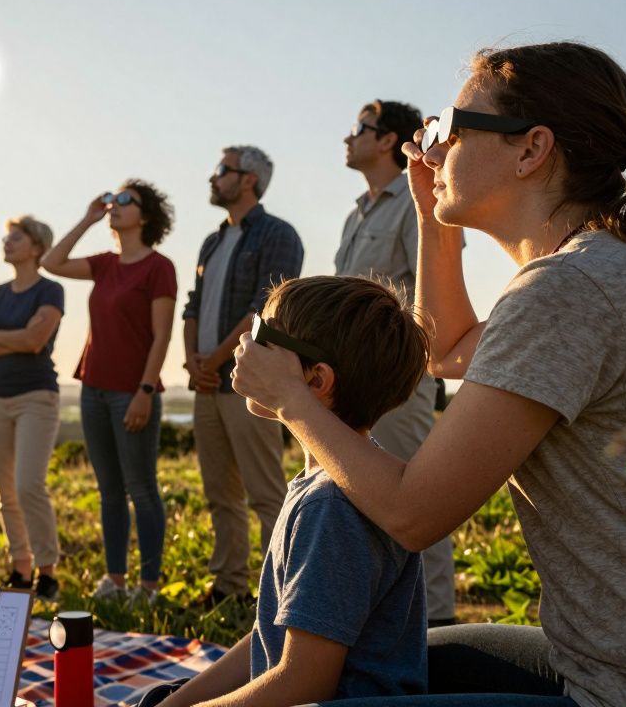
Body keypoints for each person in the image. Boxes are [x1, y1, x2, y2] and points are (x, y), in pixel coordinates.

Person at [232, 41, 626, 706]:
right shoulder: (610, 268)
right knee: (401, 659)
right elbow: (447, 348)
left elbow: (410, 514)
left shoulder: (570, 290)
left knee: (336, 691)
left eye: (449, 130)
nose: (428, 150)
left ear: (530, 149)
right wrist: (433, 220)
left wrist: (291, 400)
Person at [142, 276, 429, 707]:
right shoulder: (336, 481)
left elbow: (303, 683)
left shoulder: (330, 506)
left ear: (315, 381)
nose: (245, 342)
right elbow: (271, 636)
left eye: (264, 335)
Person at [336, 100, 456, 628]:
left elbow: (434, 292)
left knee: (417, 497)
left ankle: (438, 627)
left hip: (401, 379)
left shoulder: (415, 203)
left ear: (387, 140)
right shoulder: (354, 214)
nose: (348, 138)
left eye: (358, 129)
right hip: (352, 378)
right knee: (361, 498)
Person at [42, 181, 177, 601]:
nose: (114, 206)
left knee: (142, 488)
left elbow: (161, 337)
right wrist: (88, 217)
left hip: (131, 392)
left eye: (124, 201)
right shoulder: (104, 264)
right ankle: (115, 580)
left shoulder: (159, 267)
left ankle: (149, 585)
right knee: (109, 490)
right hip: (94, 389)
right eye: (113, 200)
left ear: (146, 216)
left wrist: (145, 390)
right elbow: (52, 261)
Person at [184, 145, 304, 605]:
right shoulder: (212, 242)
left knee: (265, 493)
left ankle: (282, 597)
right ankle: (229, 588)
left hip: (250, 380)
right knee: (220, 494)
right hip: (207, 383)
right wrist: (194, 362)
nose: (214, 178)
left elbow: (264, 309)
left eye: (222, 170)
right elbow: (193, 307)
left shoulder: (278, 235)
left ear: (248, 179)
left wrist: (214, 362)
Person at [0, 215, 65, 601]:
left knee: (29, 486)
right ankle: (19, 570)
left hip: (35, 397)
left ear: (37, 247)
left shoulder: (51, 290)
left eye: (17, 236)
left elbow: (35, 341)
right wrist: (19, 338)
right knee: (5, 492)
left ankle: (48, 572)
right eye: (7, 235)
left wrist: (1, 337)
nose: (7, 241)